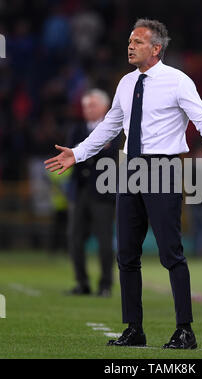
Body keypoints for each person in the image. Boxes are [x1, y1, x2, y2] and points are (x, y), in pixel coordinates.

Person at [45, 19, 202, 349]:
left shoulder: (178, 81)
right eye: (130, 40)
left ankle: (185, 329)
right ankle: (134, 329)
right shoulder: (126, 83)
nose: (130, 46)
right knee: (126, 253)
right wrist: (79, 153)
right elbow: (109, 127)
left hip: (163, 168)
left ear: (156, 49)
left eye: (138, 42)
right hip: (129, 169)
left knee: (171, 252)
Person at [66, 90, 121, 296]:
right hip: (80, 191)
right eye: (86, 106)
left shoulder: (115, 128)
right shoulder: (77, 128)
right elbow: (71, 153)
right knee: (74, 237)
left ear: (104, 108)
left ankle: (105, 284)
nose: (88, 109)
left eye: (92, 105)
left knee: (105, 240)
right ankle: (82, 283)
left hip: (103, 191)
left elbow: (111, 154)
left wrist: (84, 153)